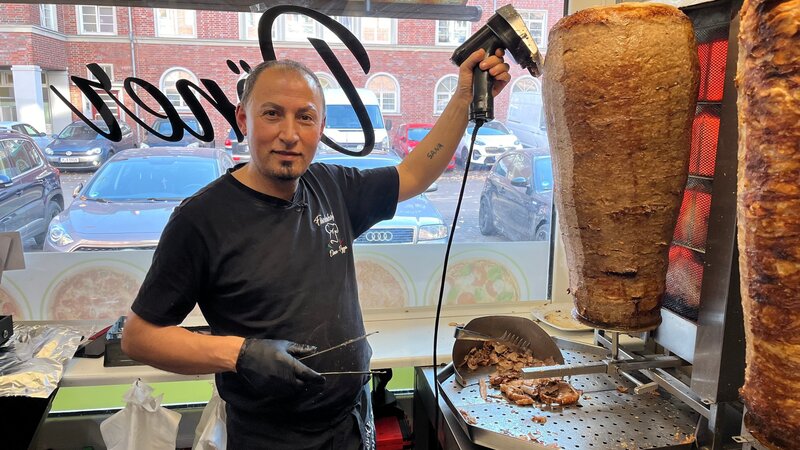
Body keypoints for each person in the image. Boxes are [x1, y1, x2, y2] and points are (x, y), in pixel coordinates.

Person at [122, 48, 511, 449]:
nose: (290, 134)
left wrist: (463, 98)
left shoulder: (332, 187)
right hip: (270, 438)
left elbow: (414, 173)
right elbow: (139, 337)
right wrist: (240, 353)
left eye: (305, 117)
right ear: (243, 119)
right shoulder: (201, 220)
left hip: (351, 423)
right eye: (272, 114)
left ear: (320, 126)